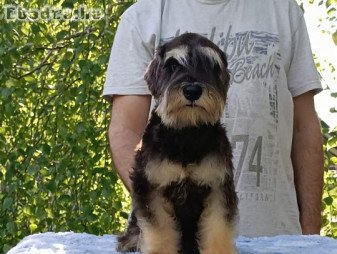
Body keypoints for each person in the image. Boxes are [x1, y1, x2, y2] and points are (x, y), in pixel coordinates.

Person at [103, 0, 323, 238]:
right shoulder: (142, 17)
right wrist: (160, 213)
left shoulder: (284, 10)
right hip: (169, 247)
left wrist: (310, 235)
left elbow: (305, 128)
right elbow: (125, 131)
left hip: (278, 241)